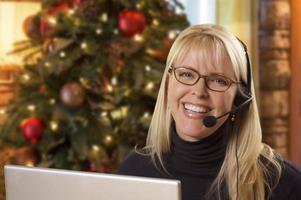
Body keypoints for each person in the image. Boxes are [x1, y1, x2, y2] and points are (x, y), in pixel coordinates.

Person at [117, 24, 301, 200]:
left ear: (240, 98)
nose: (199, 92)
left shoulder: (282, 183)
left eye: (218, 80)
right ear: (167, 84)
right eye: (186, 74)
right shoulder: (134, 171)